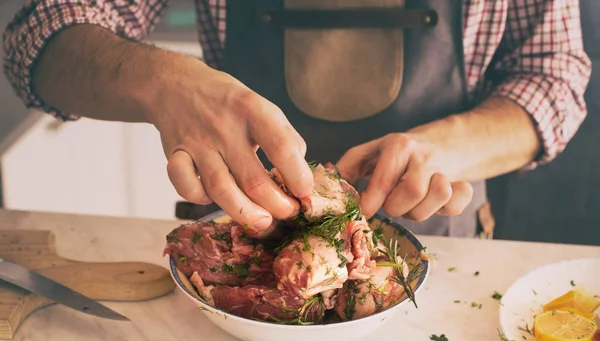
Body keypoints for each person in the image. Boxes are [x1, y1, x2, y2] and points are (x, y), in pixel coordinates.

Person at [2, 0, 591, 238]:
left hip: (441, 250)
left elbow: (555, 77)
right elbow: (34, 39)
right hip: (238, 250)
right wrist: (163, 82)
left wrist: (442, 147)